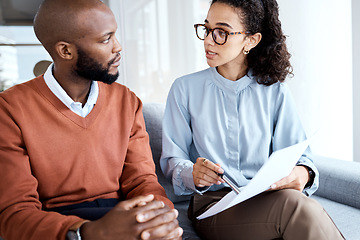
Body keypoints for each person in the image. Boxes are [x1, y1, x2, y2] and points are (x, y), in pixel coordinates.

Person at [160, 0, 344, 239]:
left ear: (251, 40)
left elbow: (301, 156)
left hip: (268, 198)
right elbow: (172, 160)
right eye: (206, 29)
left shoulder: (274, 91)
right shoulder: (184, 89)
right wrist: (193, 173)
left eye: (221, 33)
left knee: (294, 203)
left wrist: (302, 174)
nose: (208, 40)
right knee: (296, 208)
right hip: (214, 206)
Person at [0, 0, 183, 239]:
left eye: (114, 35)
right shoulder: (10, 109)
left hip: (122, 217)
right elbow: (15, 213)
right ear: (66, 51)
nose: (118, 47)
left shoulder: (127, 101)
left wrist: (158, 214)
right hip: (59, 225)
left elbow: (142, 181)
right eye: (106, 39)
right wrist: (89, 232)